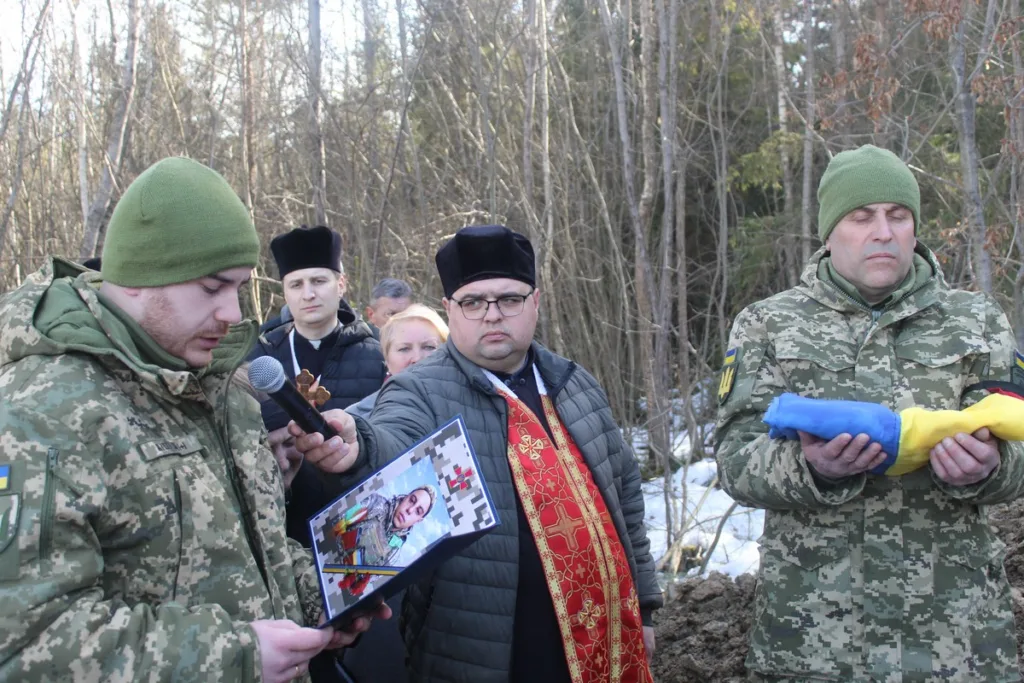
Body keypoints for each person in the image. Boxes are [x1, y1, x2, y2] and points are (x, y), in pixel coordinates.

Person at [0, 157, 384, 683]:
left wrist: (326, 594)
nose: (233, 313)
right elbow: (25, 641)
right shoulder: (40, 411)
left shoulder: (217, 383)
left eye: (239, 287)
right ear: (139, 279)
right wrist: (236, 656)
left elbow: (251, 550)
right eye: (211, 288)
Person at [291, 225, 661, 683]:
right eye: (473, 302)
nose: (492, 315)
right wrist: (358, 447)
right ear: (450, 309)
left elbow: (625, 495)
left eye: (509, 299)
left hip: (609, 632)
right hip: (491, 650)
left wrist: (644, 605)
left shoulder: (575, 382)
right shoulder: (421, 390)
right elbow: (390, 439)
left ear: (536, 302)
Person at [714, 144, 1024, 681]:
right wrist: (813, 469)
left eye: (897, 216)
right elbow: (735, 461)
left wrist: (988, 468)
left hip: (958, 643)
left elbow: (1017, 449)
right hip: (814, 643)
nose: (883, 231)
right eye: (861, 217)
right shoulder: (768, 324)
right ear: (830, 232)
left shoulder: (978, 320)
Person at [321, 486, 436, 596]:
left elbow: (367, 583)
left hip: (337, 588)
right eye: (412, 500)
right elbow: (334, 527)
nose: (410, 510)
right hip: (323, 561)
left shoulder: (394, 553)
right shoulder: (374, 503)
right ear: (406, 497)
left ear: (418, 521)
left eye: (418, 511)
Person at [347, 304, 449, 419]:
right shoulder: (356, 419)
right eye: (404, 349)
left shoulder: (470, 407)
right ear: (387, 359)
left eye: (429, 347)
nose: (417, 358)